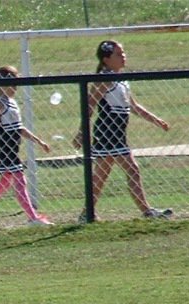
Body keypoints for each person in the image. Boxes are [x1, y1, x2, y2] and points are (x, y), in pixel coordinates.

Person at [74, 40, 172, 221]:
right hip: (108, 132)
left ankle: (86, 214)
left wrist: (155, 120)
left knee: (101, 176)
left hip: (118, 132)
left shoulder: (121, 78)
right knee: (132, 169)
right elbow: (90, 104)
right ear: (106, 59)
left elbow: (133, 106)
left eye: (123, 53)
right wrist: (81, 132)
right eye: (118, 54)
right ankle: (147, 211)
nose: (123, 57)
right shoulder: (105, 78)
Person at [0, 66, 53, 230]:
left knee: (4, 182)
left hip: (13, 148)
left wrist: (38, 141)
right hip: (6, 149)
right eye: (12, 83)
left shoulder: (12, 103)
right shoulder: (0, 104)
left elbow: (19, 128)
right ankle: (32, 217)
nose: (15, 87)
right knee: (19, 182)